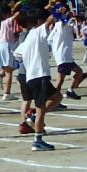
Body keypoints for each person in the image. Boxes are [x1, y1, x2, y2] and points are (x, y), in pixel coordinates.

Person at [15, 9, 60, 150]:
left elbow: (17, 54)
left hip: (33, 77)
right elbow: (49, 22)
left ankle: (33, 117)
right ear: (38, 21)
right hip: (39, 76)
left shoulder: (28, 37)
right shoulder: (37, 31)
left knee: (57, 97)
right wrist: (57, 11)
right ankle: (38, 140)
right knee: (41, 109)